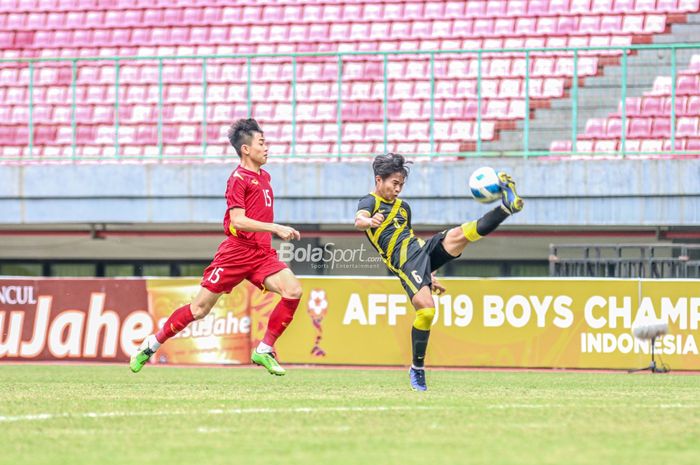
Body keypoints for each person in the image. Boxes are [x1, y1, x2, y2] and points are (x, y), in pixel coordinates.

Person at [130, 118, 303, 376]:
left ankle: (264, 348)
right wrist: (275, 228)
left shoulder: (264, 176)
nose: (267, 148)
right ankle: (151, 344)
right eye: (262, 143)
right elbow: (238, 220)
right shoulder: (237, 179)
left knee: (293, 290)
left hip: (261, 254)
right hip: (235, 253)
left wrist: (270, 233)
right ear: (246, 149)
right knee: (199, 309)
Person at [354, 153, 524, 391]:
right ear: (379, 179)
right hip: (404, 264)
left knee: (461, 235)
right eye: (394, 183)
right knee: (426, 311)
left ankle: (507, 207)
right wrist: (368, 222)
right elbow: (359, 220)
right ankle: (417, 368)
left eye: (401, 185)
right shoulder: (369, 202)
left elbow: (407, 237)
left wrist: (429, 275)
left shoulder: (404, 208)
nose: (398, 189)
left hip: (421, 251)